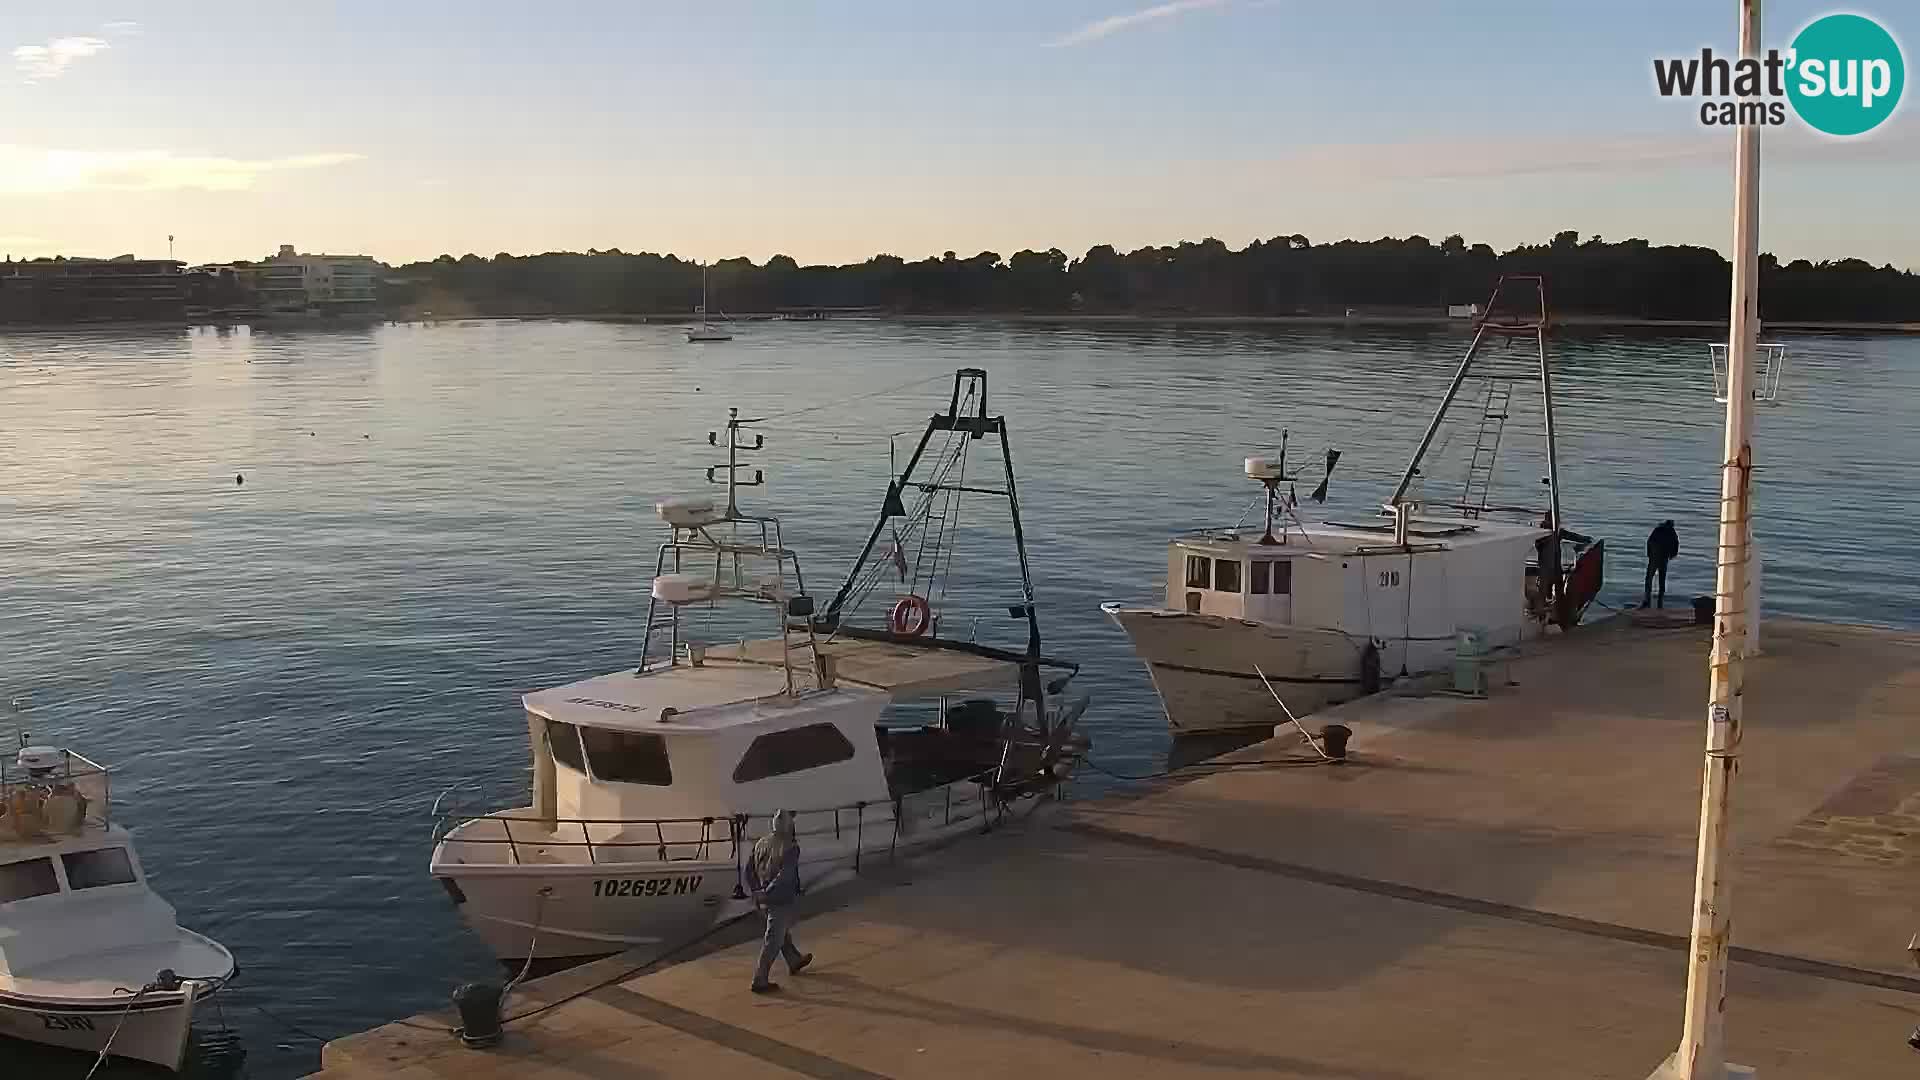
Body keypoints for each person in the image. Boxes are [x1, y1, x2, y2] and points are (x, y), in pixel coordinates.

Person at [745, 809, 813, 993]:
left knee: (780, 931)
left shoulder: (760, 843)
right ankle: (760, 979)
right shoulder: (791, 847)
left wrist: (757, 891)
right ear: (790, 826)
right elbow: (785, 875)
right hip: (779, 899)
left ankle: (794, 959)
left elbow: (748, 871)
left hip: (764, 899)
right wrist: (768, 892)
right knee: (773, 938)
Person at [1644, 520, 1679, 608]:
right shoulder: (1671, 532)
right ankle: (1659, 601)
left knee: (1650, 578)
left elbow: (1649, 541)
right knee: (1661, 579)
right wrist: (1672, 555)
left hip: (1656, 557)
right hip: (1662, 557)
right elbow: (1676, 544)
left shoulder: (1658, 530)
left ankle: (1648, 599)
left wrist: (1649, 554)